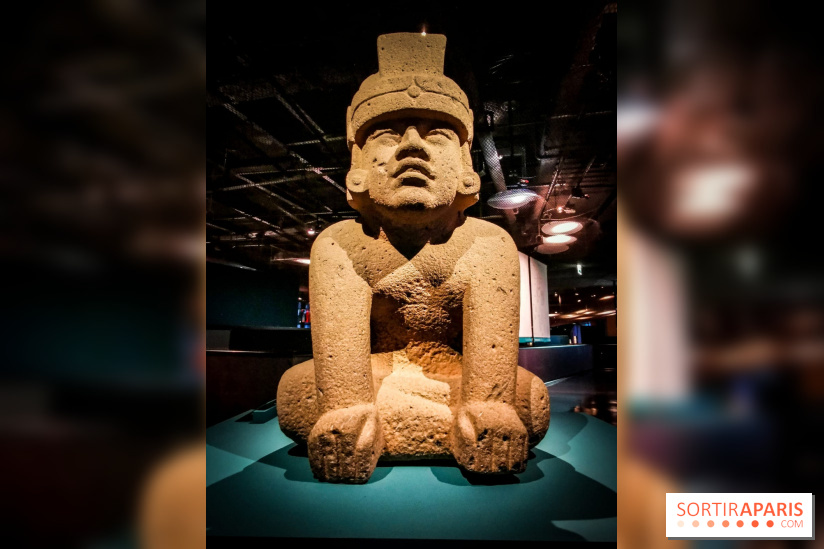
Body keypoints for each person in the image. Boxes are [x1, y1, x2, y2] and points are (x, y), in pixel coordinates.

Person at [277, 33, 548, 483]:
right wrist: (350, 414)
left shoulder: (488, 245)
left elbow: (489, 393)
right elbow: (345, 395)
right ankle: (437, 438)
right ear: (359, 161)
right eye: (386, 132)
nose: (412, 145)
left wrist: (485, 412)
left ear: (464, 162)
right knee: (297, 397)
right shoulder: (340, 245)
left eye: (437, 132)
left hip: (458, 378)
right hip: (376, 378)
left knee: (528, 403)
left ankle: (399, 437)